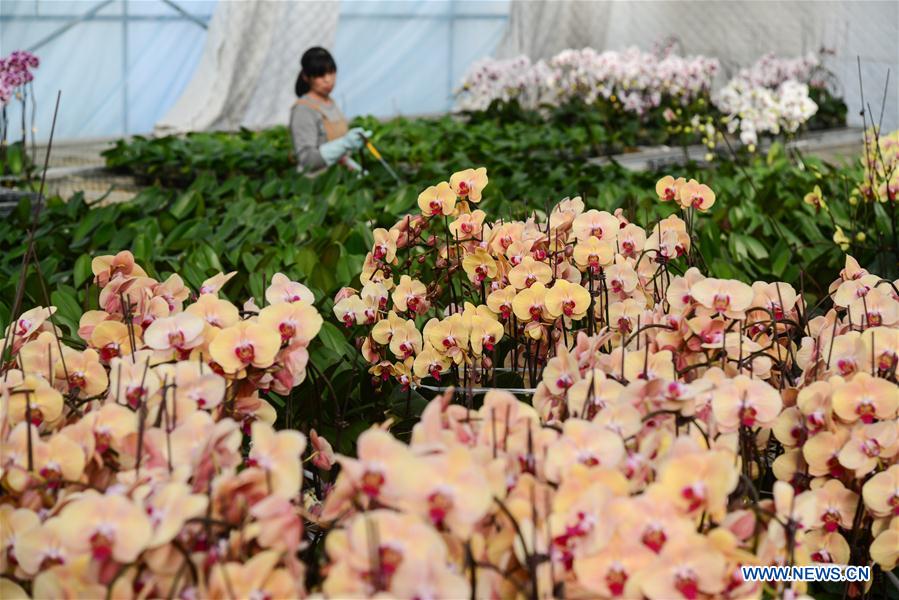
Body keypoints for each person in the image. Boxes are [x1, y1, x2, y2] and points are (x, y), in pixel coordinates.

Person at [290, 47, 370, 173]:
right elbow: (307, 160)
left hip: (339, 176)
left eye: (331, 72)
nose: (328, 80)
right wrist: (344, 144)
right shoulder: (303, 109)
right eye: (320, 75)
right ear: (306, 77)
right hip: (318, 183)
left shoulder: (330, 102)